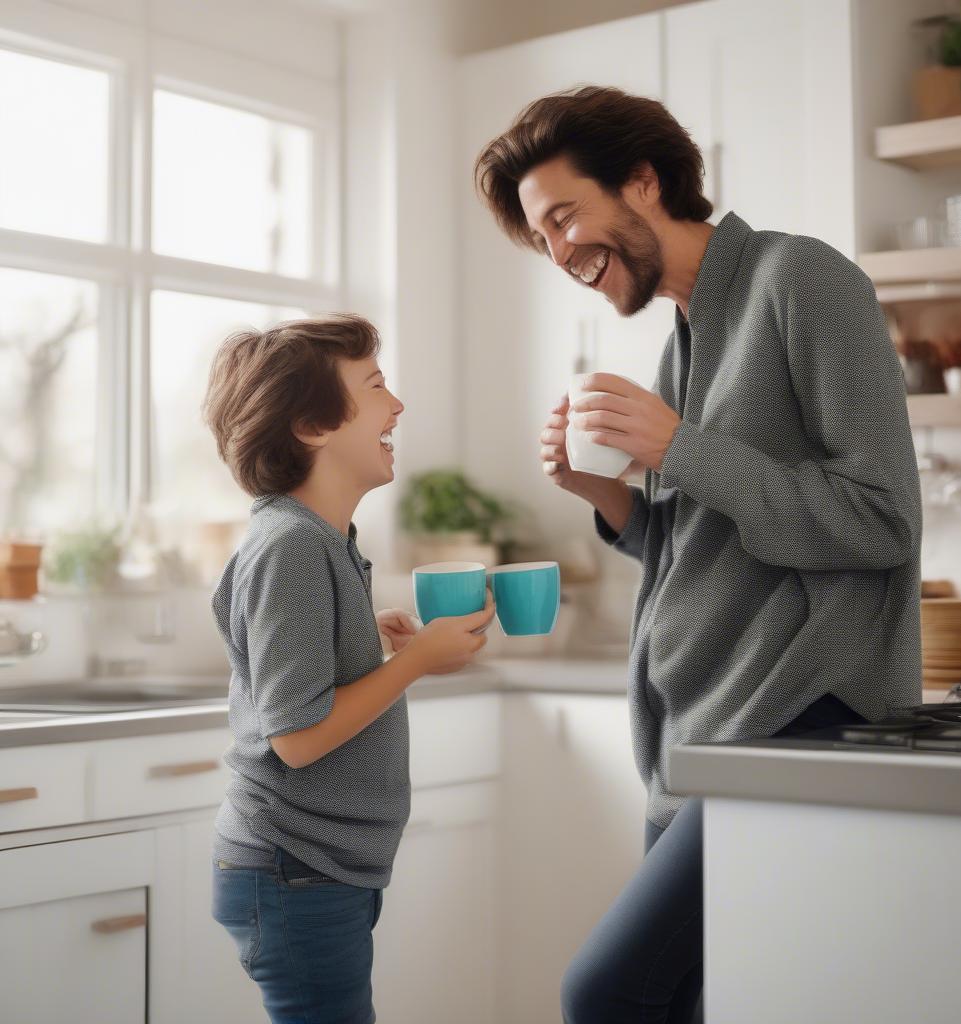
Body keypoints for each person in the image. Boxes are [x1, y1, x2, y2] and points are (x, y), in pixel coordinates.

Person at [474, 86, 921, 1023]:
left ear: (642, 183)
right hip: (697, 737)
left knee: (607, 990)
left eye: (564, 218)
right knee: (694, 1003)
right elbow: (708, 546)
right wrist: (610, 498)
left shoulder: (803, 281)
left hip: (792, 722)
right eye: (541, 238)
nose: (558, 254)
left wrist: (679, 448)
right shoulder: (689, 335)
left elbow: (879, 521)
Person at [203, 313, 495, 1024]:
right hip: (294, 869)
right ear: (312, 425)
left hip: (311, 869)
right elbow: (297, 737)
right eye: (375, 385)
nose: (396, 406)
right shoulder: (294, 548)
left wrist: (366, 644)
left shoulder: (321, 541)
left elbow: (300, 684)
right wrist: (418, 661)